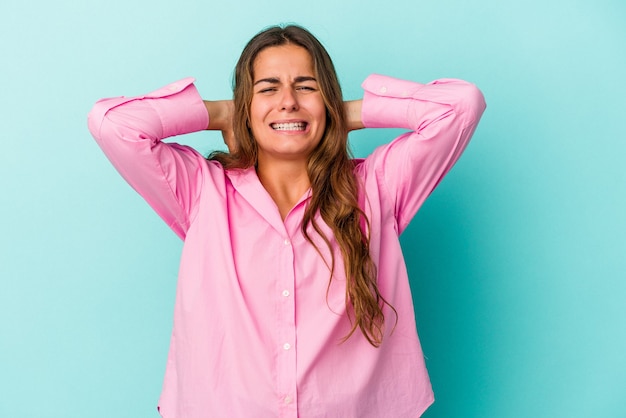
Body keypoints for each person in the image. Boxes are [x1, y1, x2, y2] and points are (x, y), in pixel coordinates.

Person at [88, 24, 485, 418]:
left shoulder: (377, 186)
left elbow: (461, 106)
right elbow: (114, 125)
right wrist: (222, 112)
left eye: (307, 87)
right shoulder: (201, 190)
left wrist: (349, 114)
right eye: (267, 88)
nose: (288, 102)